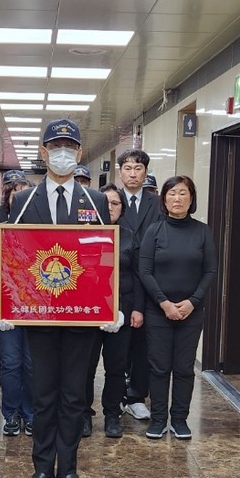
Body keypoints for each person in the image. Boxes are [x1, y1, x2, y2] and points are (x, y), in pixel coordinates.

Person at [10, 119, 112, 478]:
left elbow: (103, 256)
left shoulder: (95, 201)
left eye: (69, 146)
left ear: (80, 153)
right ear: (43, 152)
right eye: (55, 146)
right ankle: (41, 470)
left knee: (73, 396)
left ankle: (68, 470)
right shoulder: (23, 201)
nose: (62, 153)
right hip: (39, 315)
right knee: (43, 395)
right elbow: (16, 256)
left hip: (81, 315)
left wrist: (107, 303)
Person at [137, 175, 216, 441]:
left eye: (183, 193)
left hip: (191, 313)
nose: (177, 199)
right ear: (164, 199)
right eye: (172, 193)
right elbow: (145, 271)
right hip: (158, 311)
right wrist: (164, 303)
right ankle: (159, 419)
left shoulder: (202, 231)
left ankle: (180, 419)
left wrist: (193, 301)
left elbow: (210, 271)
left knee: (184, 368)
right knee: (159, 368)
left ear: (191, 198)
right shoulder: (154, 231)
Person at [85, 183, 143, 438]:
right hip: (88, 310)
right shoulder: (83, 233)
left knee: (116, 366)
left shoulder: (129, 236)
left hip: (121, 309)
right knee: (85, 366)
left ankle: (112, 414)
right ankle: (83, 413)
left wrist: (137, 308)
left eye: (115, 203)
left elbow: (139, 275)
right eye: (105, 202)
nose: (109, 207)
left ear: (122, 209)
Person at [0, 170, 35, 436]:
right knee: (11, 363)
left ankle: (31, 414)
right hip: (8, 309)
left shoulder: (43, 230)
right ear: (9, 198)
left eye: (27, 195)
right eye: (17, 195)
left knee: (33, 364)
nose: (22, 199)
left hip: (38, 311)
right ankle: (11, 413)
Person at [117, 149, 159, 422]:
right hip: (119, 281)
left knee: (142, 344)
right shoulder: (109, 199)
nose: (133, 174)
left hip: (149, 279)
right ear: (120, 171)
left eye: (138, 169)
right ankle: (117, 395)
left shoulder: (157, 203)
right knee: (117, 344)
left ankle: (136, 396)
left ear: (145, 172)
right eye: (128, 168)